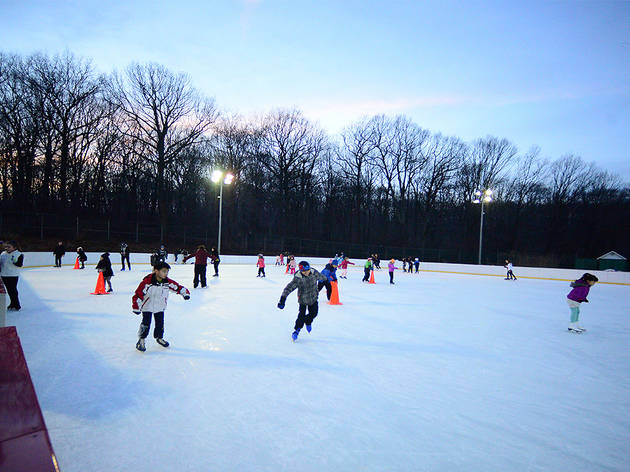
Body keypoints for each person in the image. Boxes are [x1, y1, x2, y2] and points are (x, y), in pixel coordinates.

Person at [132, 261, 190, 352]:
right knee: (146, 324)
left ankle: (159, 338)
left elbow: (177, 287)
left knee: (160, 324)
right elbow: (138, 294)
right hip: (147, 307)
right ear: (156, 271)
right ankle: (141, 340)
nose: (165, 273)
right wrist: (136, 306)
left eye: (167, 271)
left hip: (160, 306)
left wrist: (185, 293)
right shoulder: (147, 282)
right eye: (163, 271)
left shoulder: (167, 282)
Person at [277, 260, 331, 341]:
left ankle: (308, 322)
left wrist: (326, 281)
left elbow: (321, 276)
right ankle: (297, 330)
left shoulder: (313, 272)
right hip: (303, 299)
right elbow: (289, 288)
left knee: (314, 313)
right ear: (301, 270)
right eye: (304, 271)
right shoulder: (298, 278)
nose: (306, 272)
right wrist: (282, 300)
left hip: (313, 298)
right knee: (301, 315)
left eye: (307, 270)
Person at [0, 241, 24, 311]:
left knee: (13, 290)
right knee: (9, 290)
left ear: (14, 247)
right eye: (6, 247)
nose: (7, 248)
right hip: (4, 274)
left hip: (13, 275)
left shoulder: (19, 254)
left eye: (9, 247)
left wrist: (14, 262)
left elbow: (20, 264)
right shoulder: (3, 254)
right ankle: (12, 303)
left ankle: (16, 304)